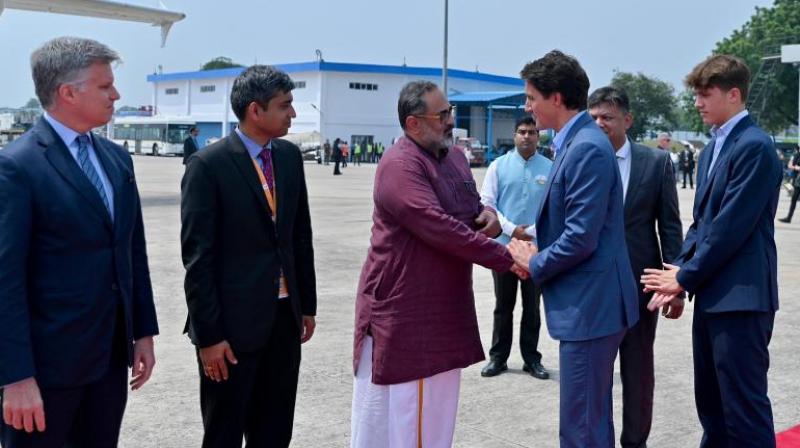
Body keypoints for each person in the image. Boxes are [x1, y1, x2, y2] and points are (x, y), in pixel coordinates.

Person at [0, 37, 159, 448]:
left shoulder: (116, 159)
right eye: (105, 86)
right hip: (45, 373)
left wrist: (142, 331)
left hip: (107, 362)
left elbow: (130, 252)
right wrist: (14, 376)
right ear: (67, 93)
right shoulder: (17, 167)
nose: (117, 95)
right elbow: (5, 280)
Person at [350, 81, 520, 448]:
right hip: (408, 315)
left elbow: (472, 208)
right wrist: (510, 258)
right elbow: (439, 227)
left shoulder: (455, 157)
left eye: (450, 112)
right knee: (403, 423)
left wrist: (489, 216)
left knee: (436, 421)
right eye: (442, 115)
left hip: (443, 309)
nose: (450, 121)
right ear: (413, 124)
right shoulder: (400, 165)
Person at [643, 54, 783, 447]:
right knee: (713, 405)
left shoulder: (754, 146)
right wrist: (679, 275)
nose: (698, 103)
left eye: (706, 94)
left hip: (742, 300)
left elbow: (729, 229)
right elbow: (701, 225)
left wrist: (684, 277)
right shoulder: (713, 149)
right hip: (713, 296)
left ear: (734, 94)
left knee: (743, 410)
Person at [506, 50, 639, 448]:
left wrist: (536, 261)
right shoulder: (576, 143)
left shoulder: (585, 147)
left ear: (557, 98)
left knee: (582, 427)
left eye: (532, 97)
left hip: (592, 306)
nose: (527, 107)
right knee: (591, 419)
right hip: (593, 304)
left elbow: (581, 236)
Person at [181, 65, 317, 448]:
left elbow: (299, 236)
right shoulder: (208, 166)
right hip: (230, 330)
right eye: (285, 105)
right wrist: (209, 337)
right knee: (224, 431)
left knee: (274, 431)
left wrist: (305, 305)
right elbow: (198, 258)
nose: (292, 114)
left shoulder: (289, 158)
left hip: (283, 320)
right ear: (255, 111)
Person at [588, 86, 684, 448]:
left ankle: (635, 442)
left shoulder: (656, 163)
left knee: (639, 373)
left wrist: (675, 285)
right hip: (593, 288)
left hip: (641, 286)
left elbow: (670, 228)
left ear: (627, 120)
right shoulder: (579, 158)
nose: (599, 124)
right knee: (594, 376)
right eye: (593, 117)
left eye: (607, 117)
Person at [479, 116, 552, 380]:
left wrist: (530, 232)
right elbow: (487, 204)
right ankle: (498, 358)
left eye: (532, 132)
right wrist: (511, 230)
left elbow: (554, 207)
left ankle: (531, 359)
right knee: (503, 305)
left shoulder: (551, 167)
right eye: (522, 132)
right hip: (504, 249)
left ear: (538, 136)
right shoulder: (498, 166)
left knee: (532, 306)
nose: (527, 136)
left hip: (535, 251)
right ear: (514, 135)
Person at [778, 145, 800, 223]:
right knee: (793, 200)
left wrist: (796, 167)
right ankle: (789, 218)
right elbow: (790, 165)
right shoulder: (797, 155)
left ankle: (788, 218)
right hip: (798, 182)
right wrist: (795, 167)